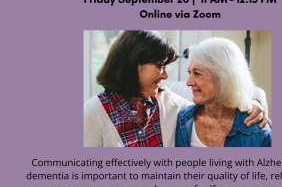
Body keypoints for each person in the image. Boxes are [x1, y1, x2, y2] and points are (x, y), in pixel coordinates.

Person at [84, 31, 269, 147]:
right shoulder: (93, 113)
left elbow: (215, 101)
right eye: (160, 66)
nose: (165, 76)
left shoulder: (166, 101)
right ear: (132, 65)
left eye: (166, 68)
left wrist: (252, 102)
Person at [175, 38, 271, 147]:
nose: (188, 82)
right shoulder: (182, 120)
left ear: (223, 77)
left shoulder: (258, 132)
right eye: (189, 72)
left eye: (197, 73)